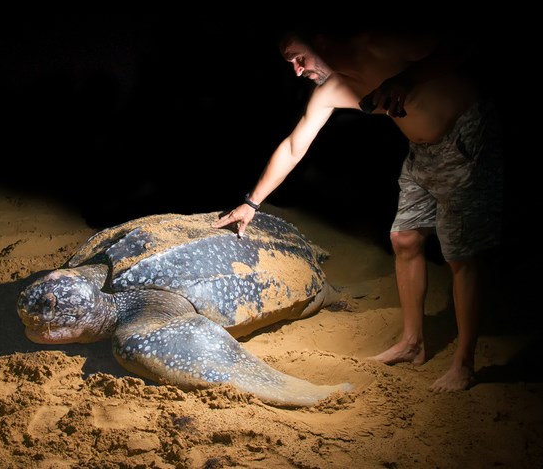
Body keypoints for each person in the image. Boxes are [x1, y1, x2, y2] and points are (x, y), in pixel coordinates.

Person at [212, 23, 503, 392]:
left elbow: (462, 43)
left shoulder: (379, 43)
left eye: (298, 58)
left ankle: (464, 363)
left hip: (465, 134)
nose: (297, 70)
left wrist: (407, 78)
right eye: (290, 64)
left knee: (460, 254)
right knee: (404, 239)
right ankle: (412, 344)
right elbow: (293, 146)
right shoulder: (332, 91)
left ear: (320, 39)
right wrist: (251, 203)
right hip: (423, 152)